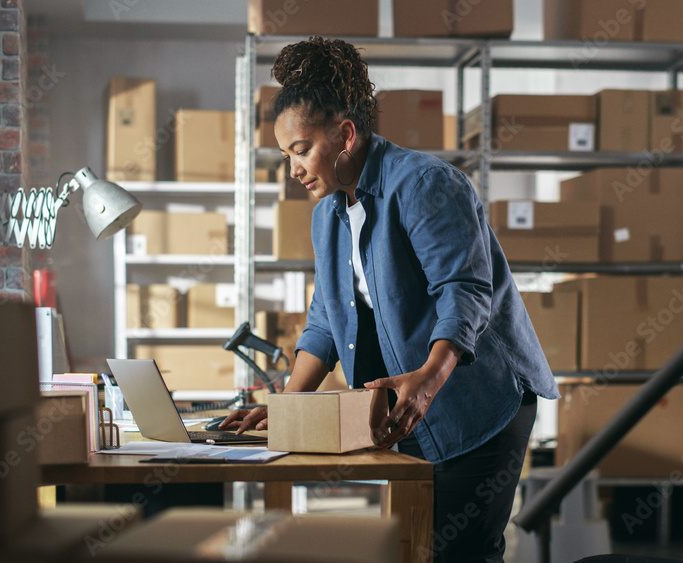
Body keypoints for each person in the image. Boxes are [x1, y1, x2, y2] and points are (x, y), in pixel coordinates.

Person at [220, 36, 559, 562]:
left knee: (458, 554)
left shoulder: (425, 184)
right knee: (411, 550)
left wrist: (427, 381)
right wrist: (285, 406)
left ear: (346, 135)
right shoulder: (328, 215)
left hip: (475, 402)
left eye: (301, 149)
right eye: (286, 155)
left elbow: (465, 292)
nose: (293, 169)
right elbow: (325, 321)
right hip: (409, 408)